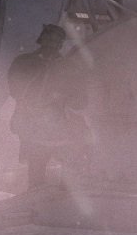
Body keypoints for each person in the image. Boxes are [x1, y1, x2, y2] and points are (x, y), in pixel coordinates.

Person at [6, 24, 87, 190]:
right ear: (41, 39)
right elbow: (16, 89)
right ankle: (36, 194)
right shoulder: (24, 62)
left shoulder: (69, 67)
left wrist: (64, 98)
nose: (51, 44)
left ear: (60, 44)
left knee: (67, 168)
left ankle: (62, 197)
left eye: (55, 40)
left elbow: (80, 99)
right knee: (37, 167)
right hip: (34, 123)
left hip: (62, 125)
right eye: (49, 39)